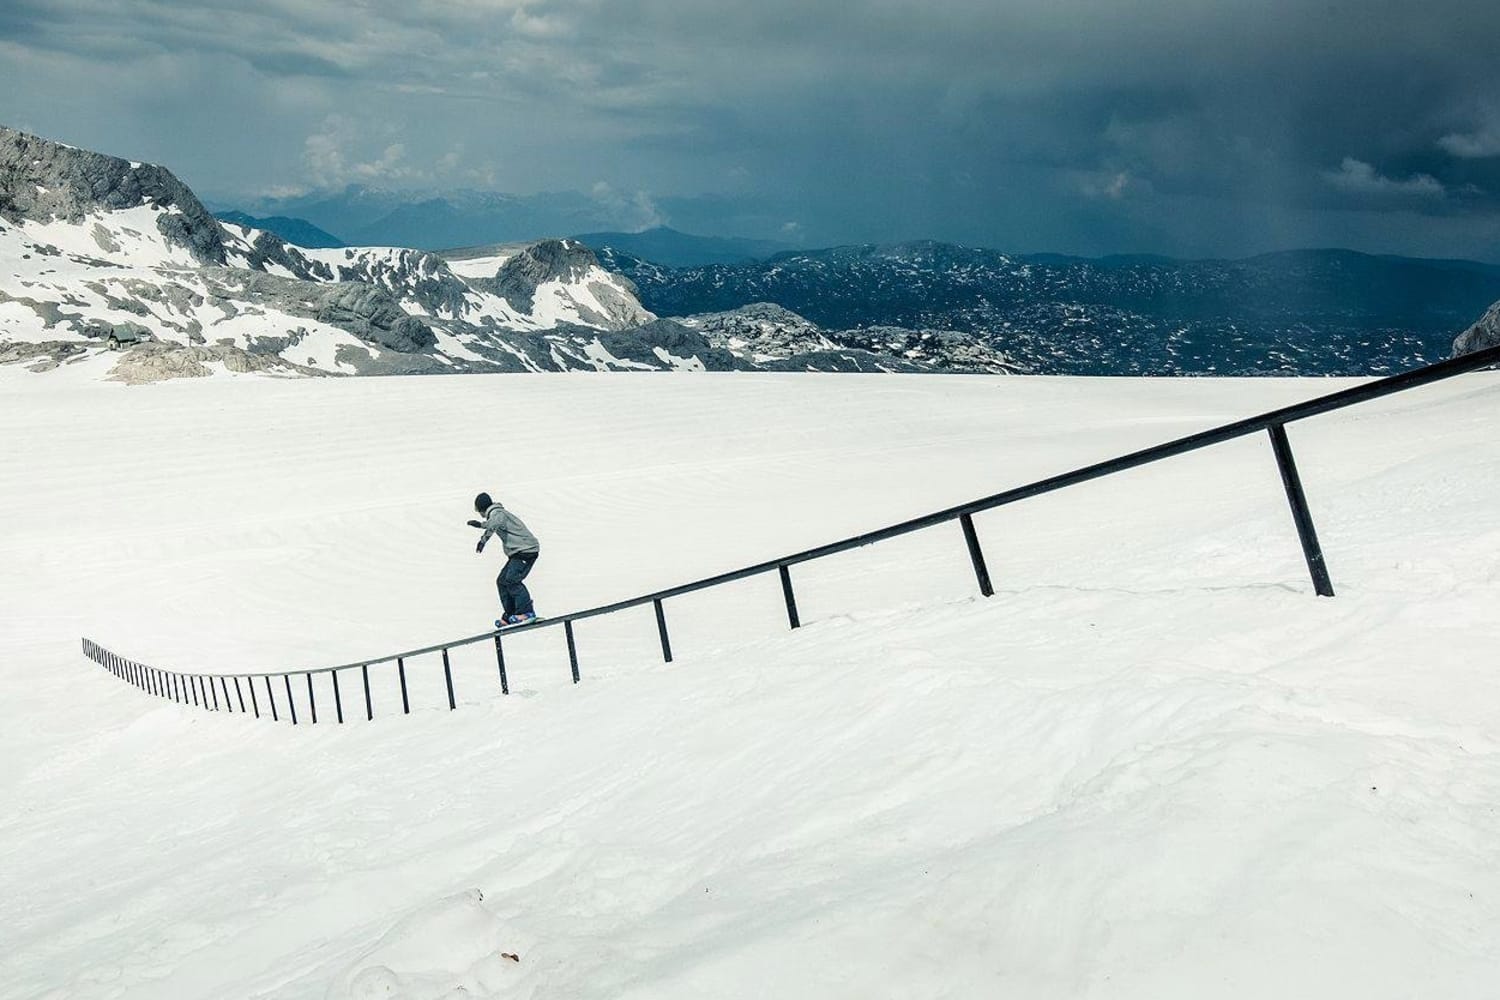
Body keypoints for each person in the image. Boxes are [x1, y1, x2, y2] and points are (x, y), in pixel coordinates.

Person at [468, 492, 540, 626]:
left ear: (481, 508)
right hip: (518, 552)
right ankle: (511, 614)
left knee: (512, 580)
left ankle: (527, 612)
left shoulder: (497, 513)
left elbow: (493, 524)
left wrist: (482, 533)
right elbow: (493, 525)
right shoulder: (496, 514)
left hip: (526, 550)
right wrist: (481, 533)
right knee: (501, 581)